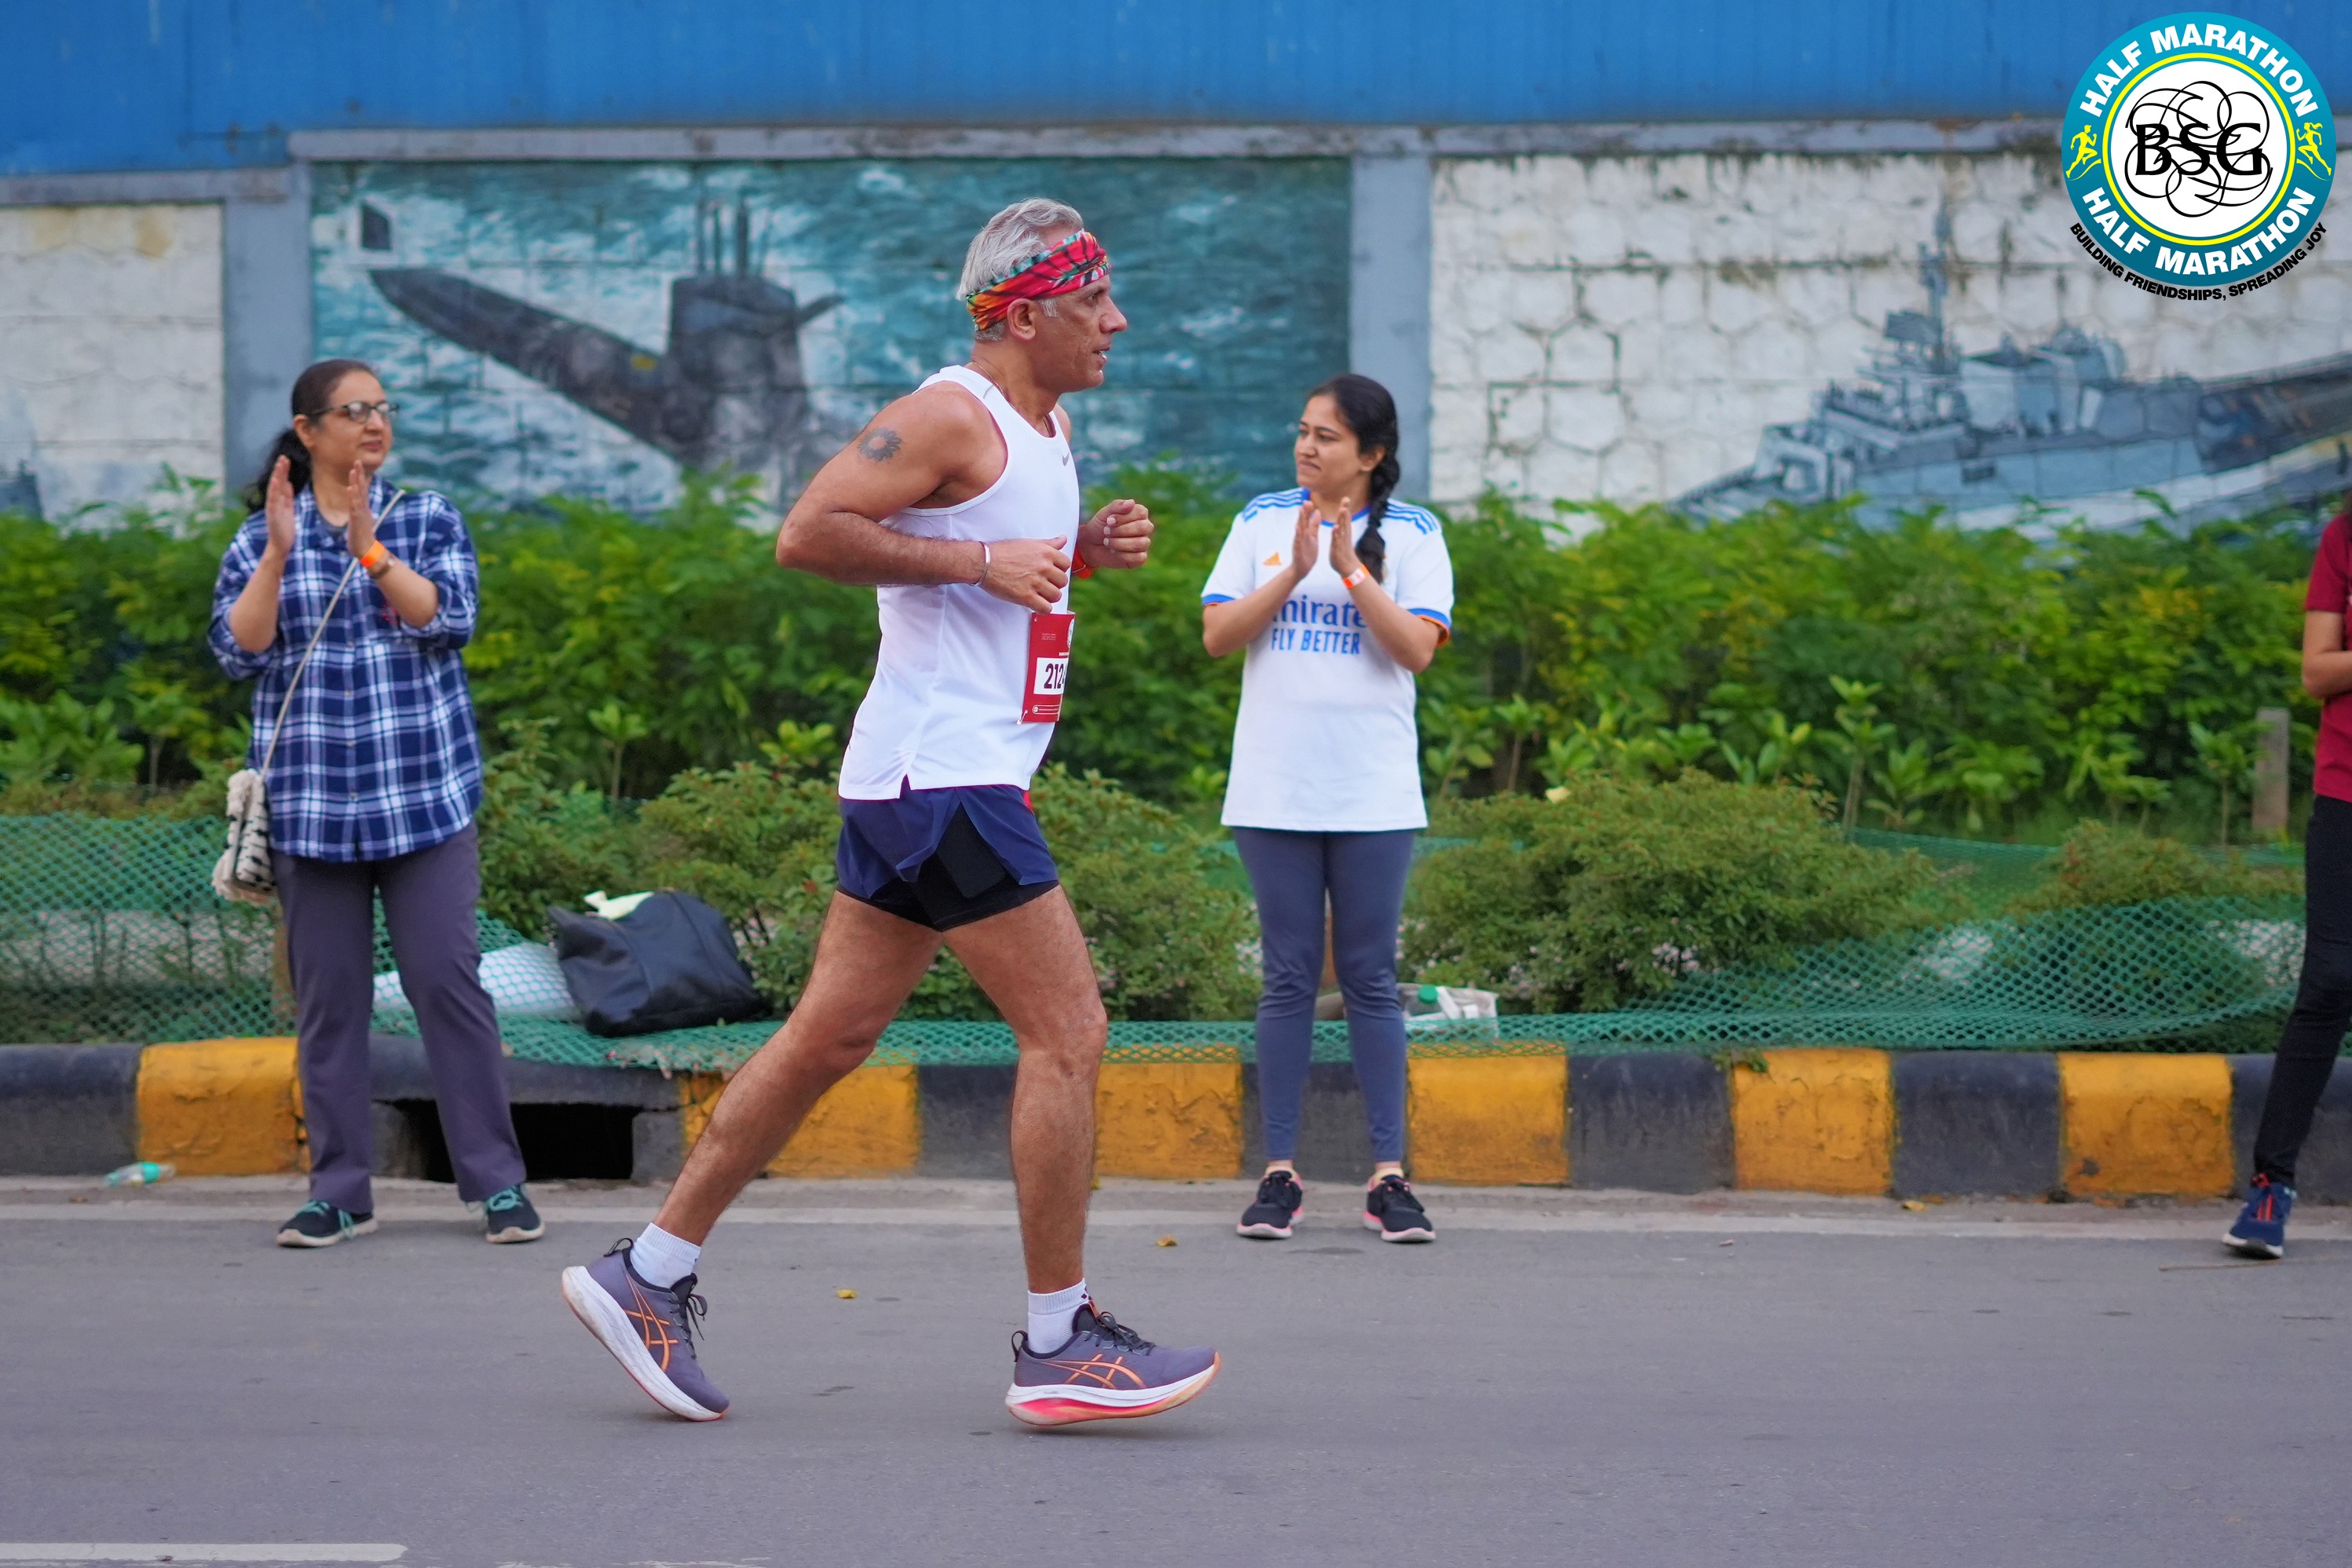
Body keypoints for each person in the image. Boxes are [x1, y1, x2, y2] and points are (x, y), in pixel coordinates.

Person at [559, 199, 1219, 1427]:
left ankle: (646, 1272)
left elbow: (993, 551)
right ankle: (1058, 1339)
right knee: (1068, 1035)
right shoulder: (947, 413)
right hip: (945, 780)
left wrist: (1079, 549)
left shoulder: (1042, 424)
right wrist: (979, 564)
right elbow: (808, 532)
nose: (1116, 321)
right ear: (1024, 316)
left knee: (827, 1038)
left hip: (919, 782)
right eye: (1093, 302)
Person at [209, 359, 540, 1249]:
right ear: (307, 430)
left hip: (421, 801)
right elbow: (239, 651)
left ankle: (497, 1184)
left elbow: (446, 617)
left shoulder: (424, 517)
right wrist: (279, 554)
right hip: (312, 810)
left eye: (382, 408)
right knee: (329, 1004)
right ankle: (340, 1192)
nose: (374, 423)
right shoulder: (259, 536)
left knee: (447, 985)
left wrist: (370, 548)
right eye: (353, 410)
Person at [1200, 375, 1454, 1244]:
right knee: (1287, 975)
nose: (1306, 447)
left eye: (1327, 436)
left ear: (1371, 454)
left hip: (1372, 792)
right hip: (1272, 788)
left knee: (1370, 977)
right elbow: (1218, 635)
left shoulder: (1416, 533)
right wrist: (1295, 572)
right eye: (1302, 430)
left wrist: (1349, 570)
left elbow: (1416, 648)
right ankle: (1278, 1172)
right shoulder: (1260, 521)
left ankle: (1389, 1178)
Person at [2227, 498, 2352, 1259]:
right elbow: (2316, 669)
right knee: (2331, 980)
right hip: (2346, 792)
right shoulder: (2344, 535)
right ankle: (2270, 1185)